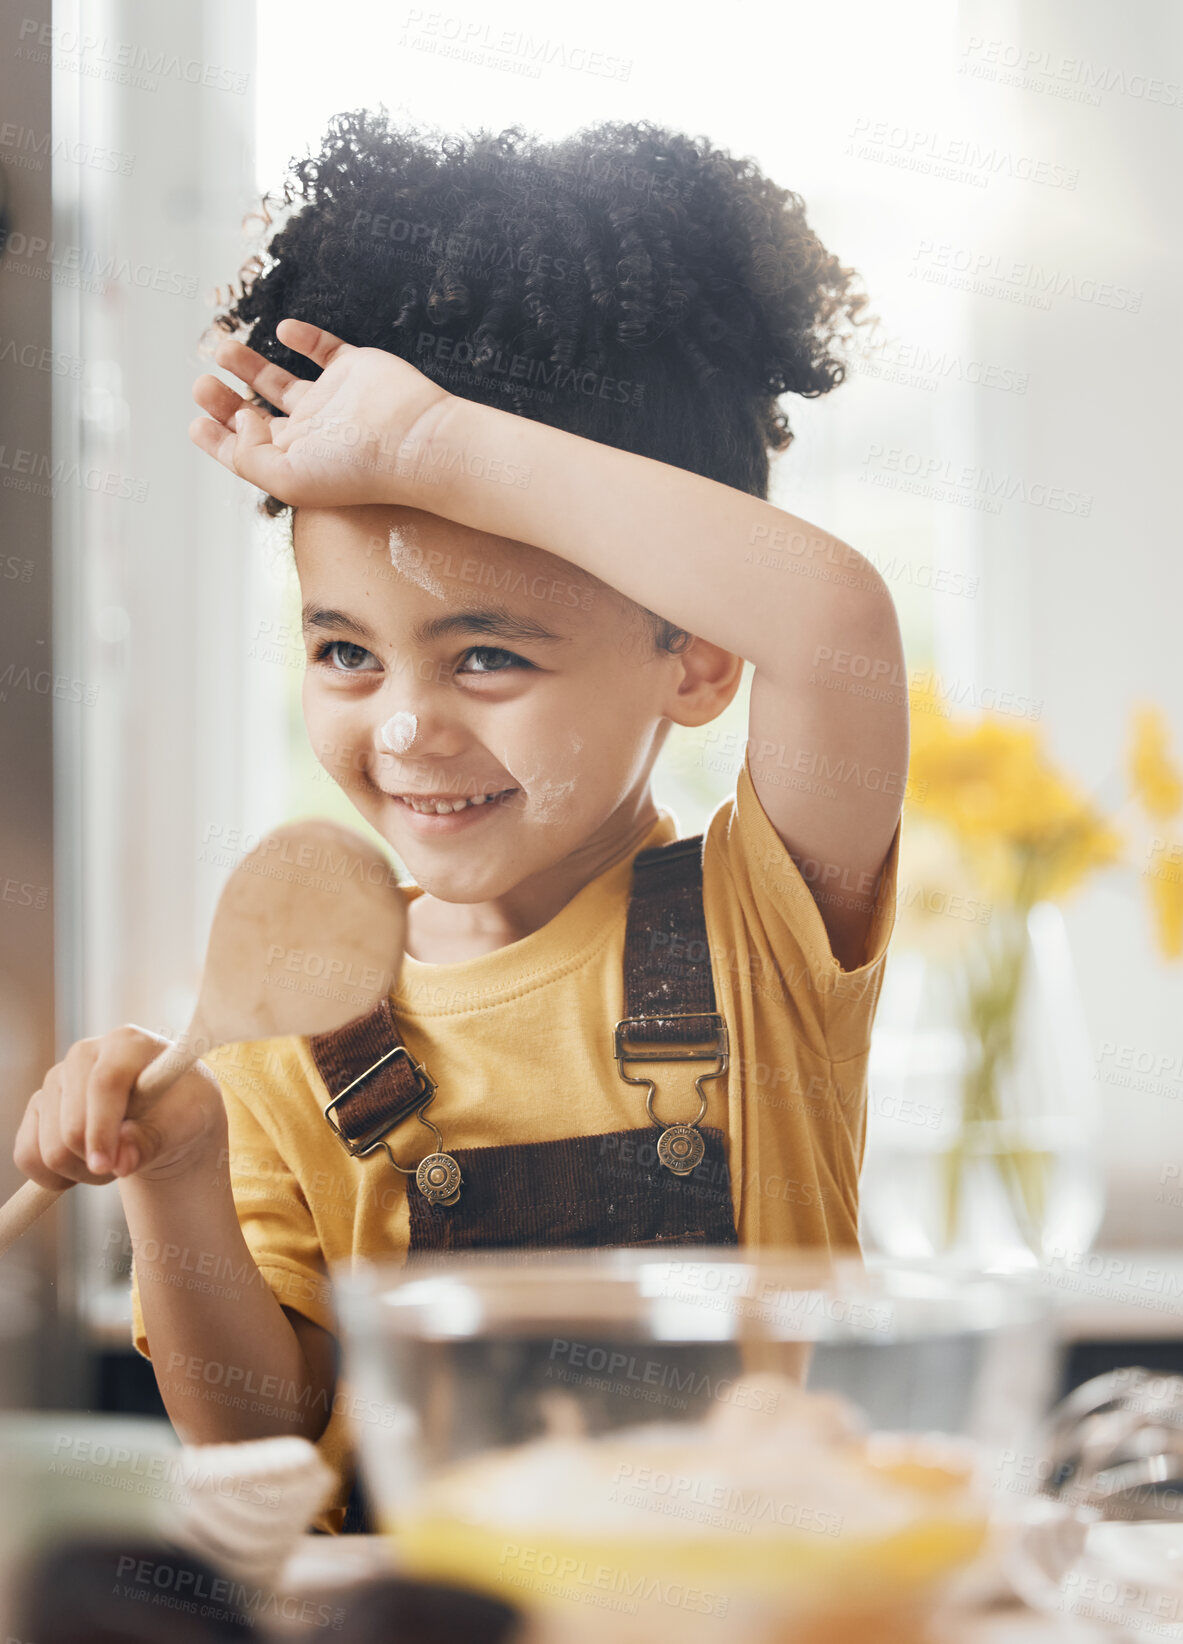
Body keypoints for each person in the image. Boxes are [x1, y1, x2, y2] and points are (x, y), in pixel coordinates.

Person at [15, 111, 908, 1532]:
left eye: (489, 655)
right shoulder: (286, 1014)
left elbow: (834, 617)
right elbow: (272, 1453)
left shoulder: (764, 932)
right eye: (346, 652)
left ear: (695, 657)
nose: (408, 727)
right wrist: (173, 1177)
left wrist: (429, 443)